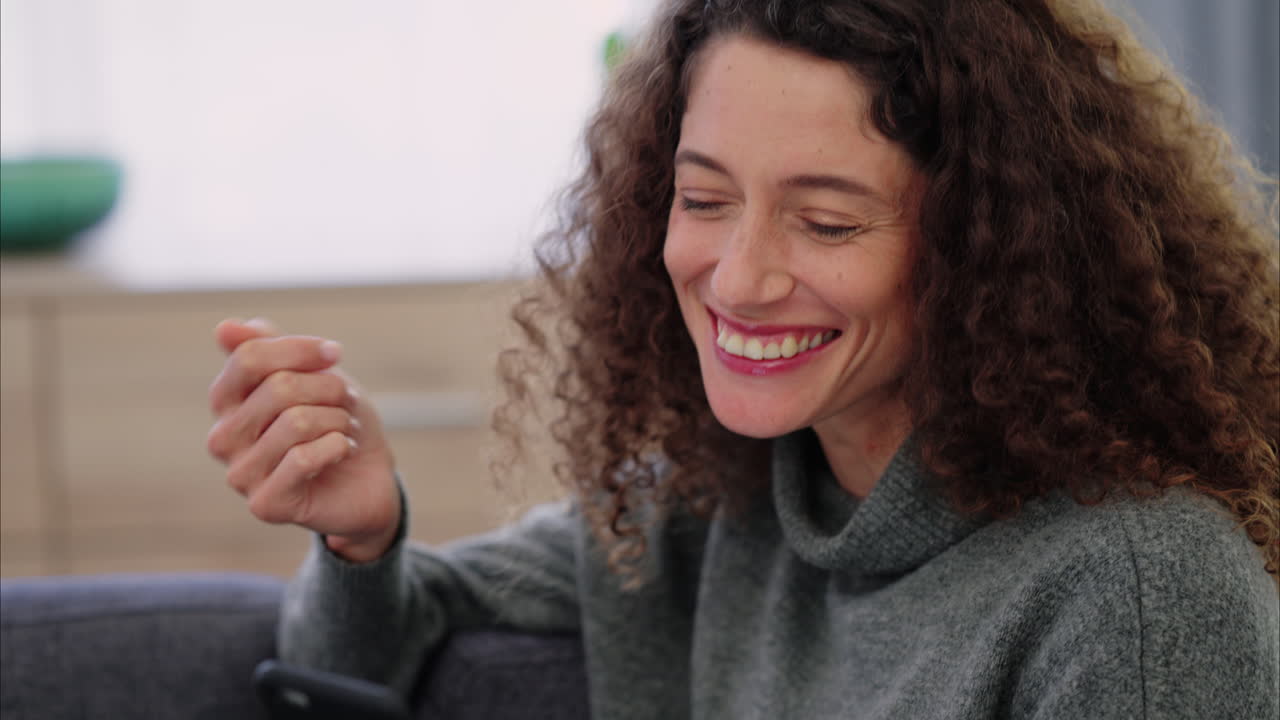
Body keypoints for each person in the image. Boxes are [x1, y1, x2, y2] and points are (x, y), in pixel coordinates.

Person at [206, 0, 1279, 717]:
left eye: (825, 221)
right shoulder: (706, 506)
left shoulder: (1137, 589)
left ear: (992, 248)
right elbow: (358, 658)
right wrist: (360, 532)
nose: (736, 279)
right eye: (705, 199)